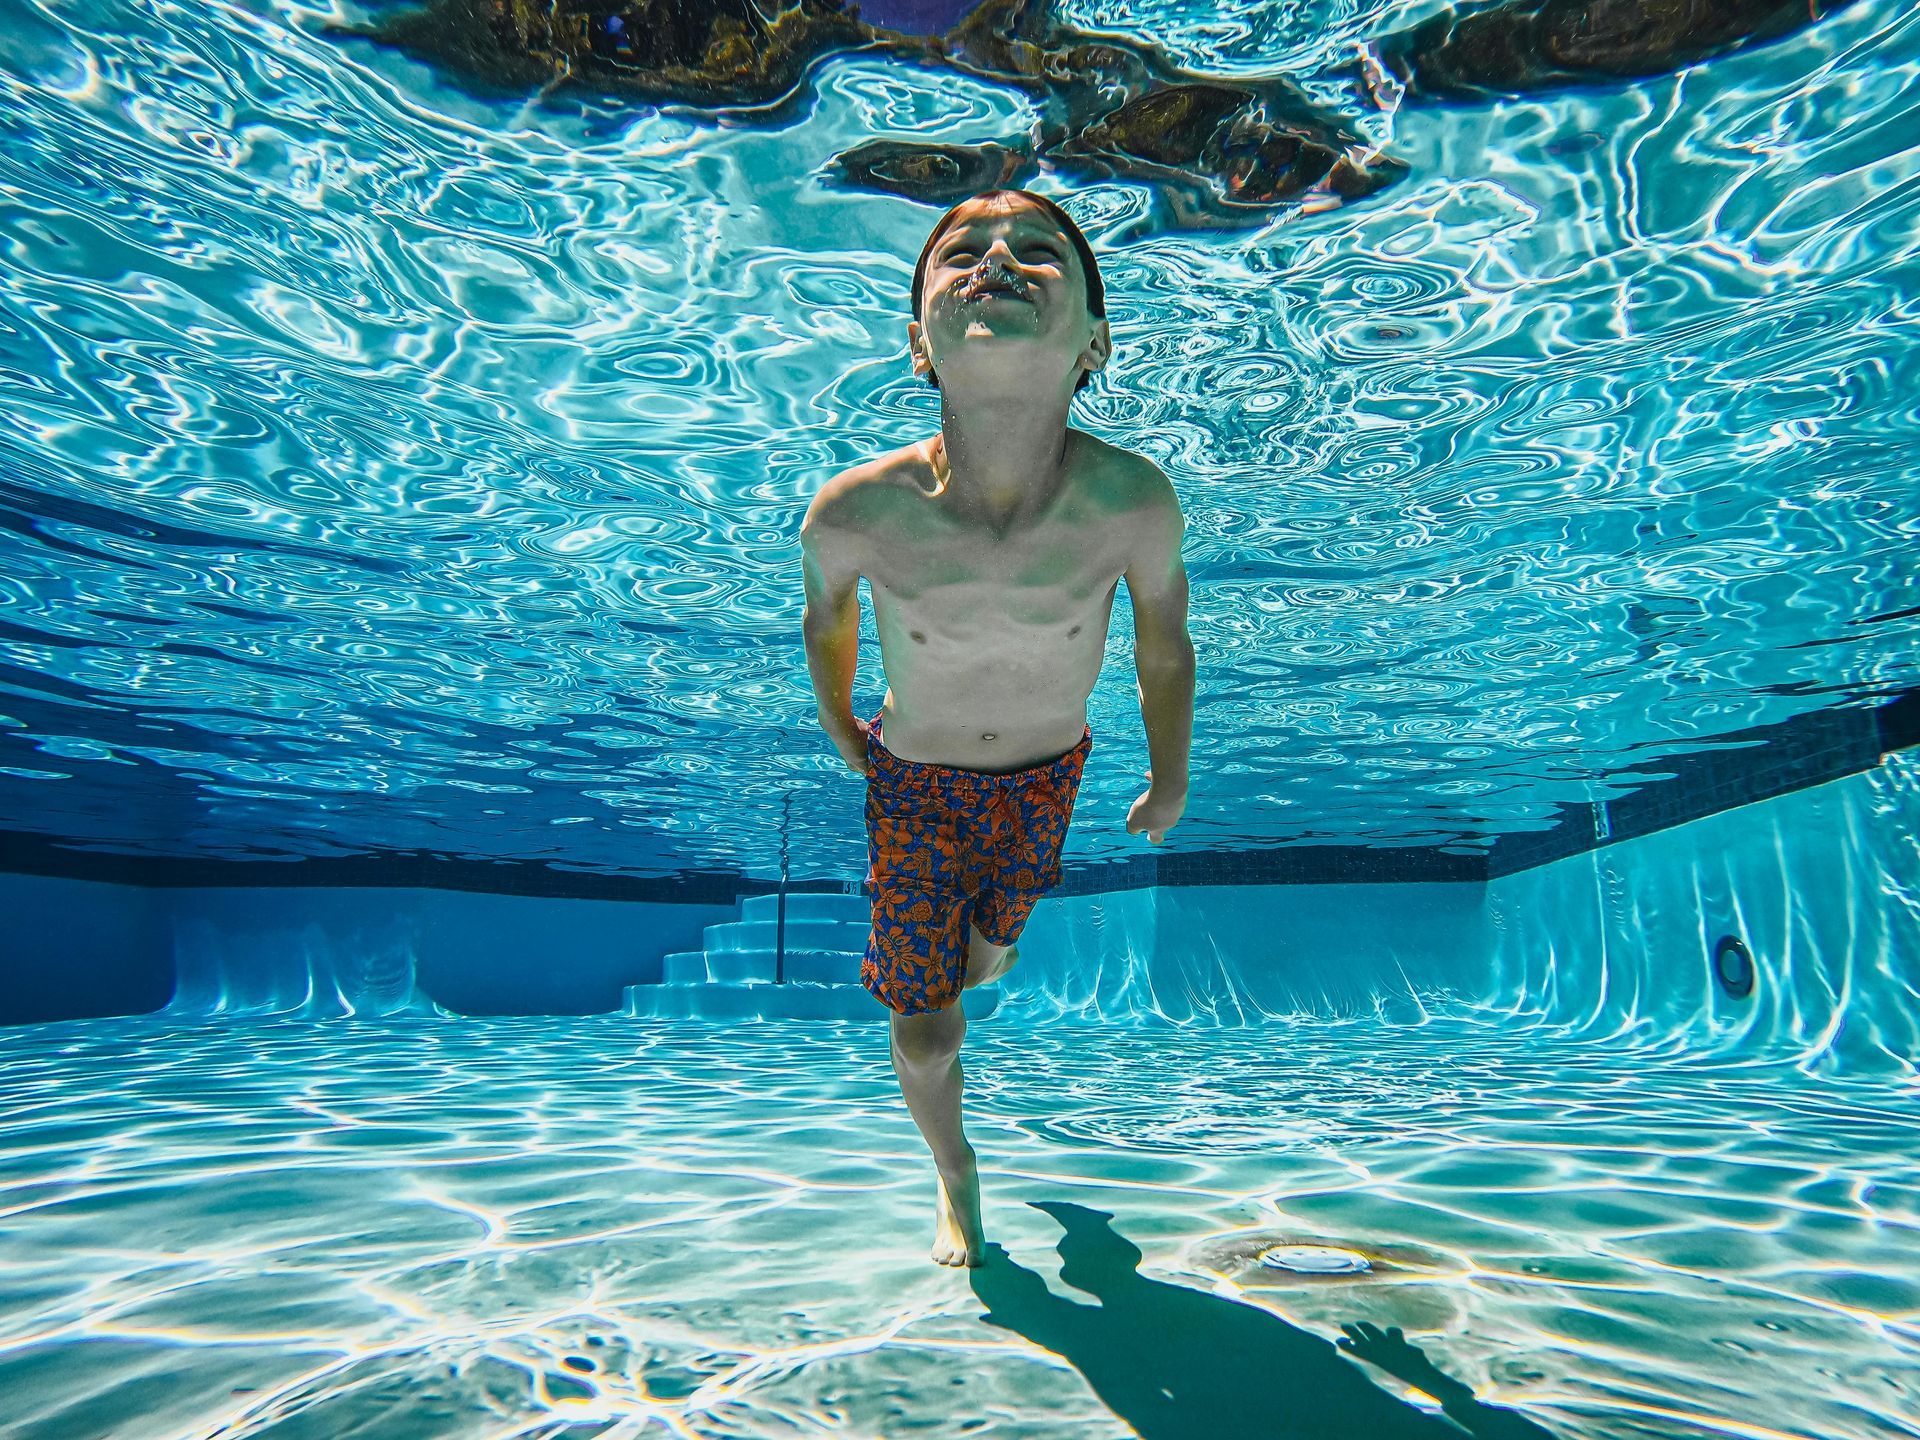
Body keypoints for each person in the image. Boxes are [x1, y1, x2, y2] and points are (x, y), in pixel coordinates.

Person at [800, 188, 1196, 1267]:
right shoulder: (855, 510)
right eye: (962, 250)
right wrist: (844, 729)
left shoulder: (1133, 500)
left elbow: (1163, 645)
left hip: (1044, 781)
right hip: (916, 787)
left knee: (988, 958)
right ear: (919, 343)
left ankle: (990, 942)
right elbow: (825, 620)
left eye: (1037, 251)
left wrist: (1171, 777)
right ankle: (955, 1175)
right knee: (931, 1027)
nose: (997, 262)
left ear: (1095, 343)